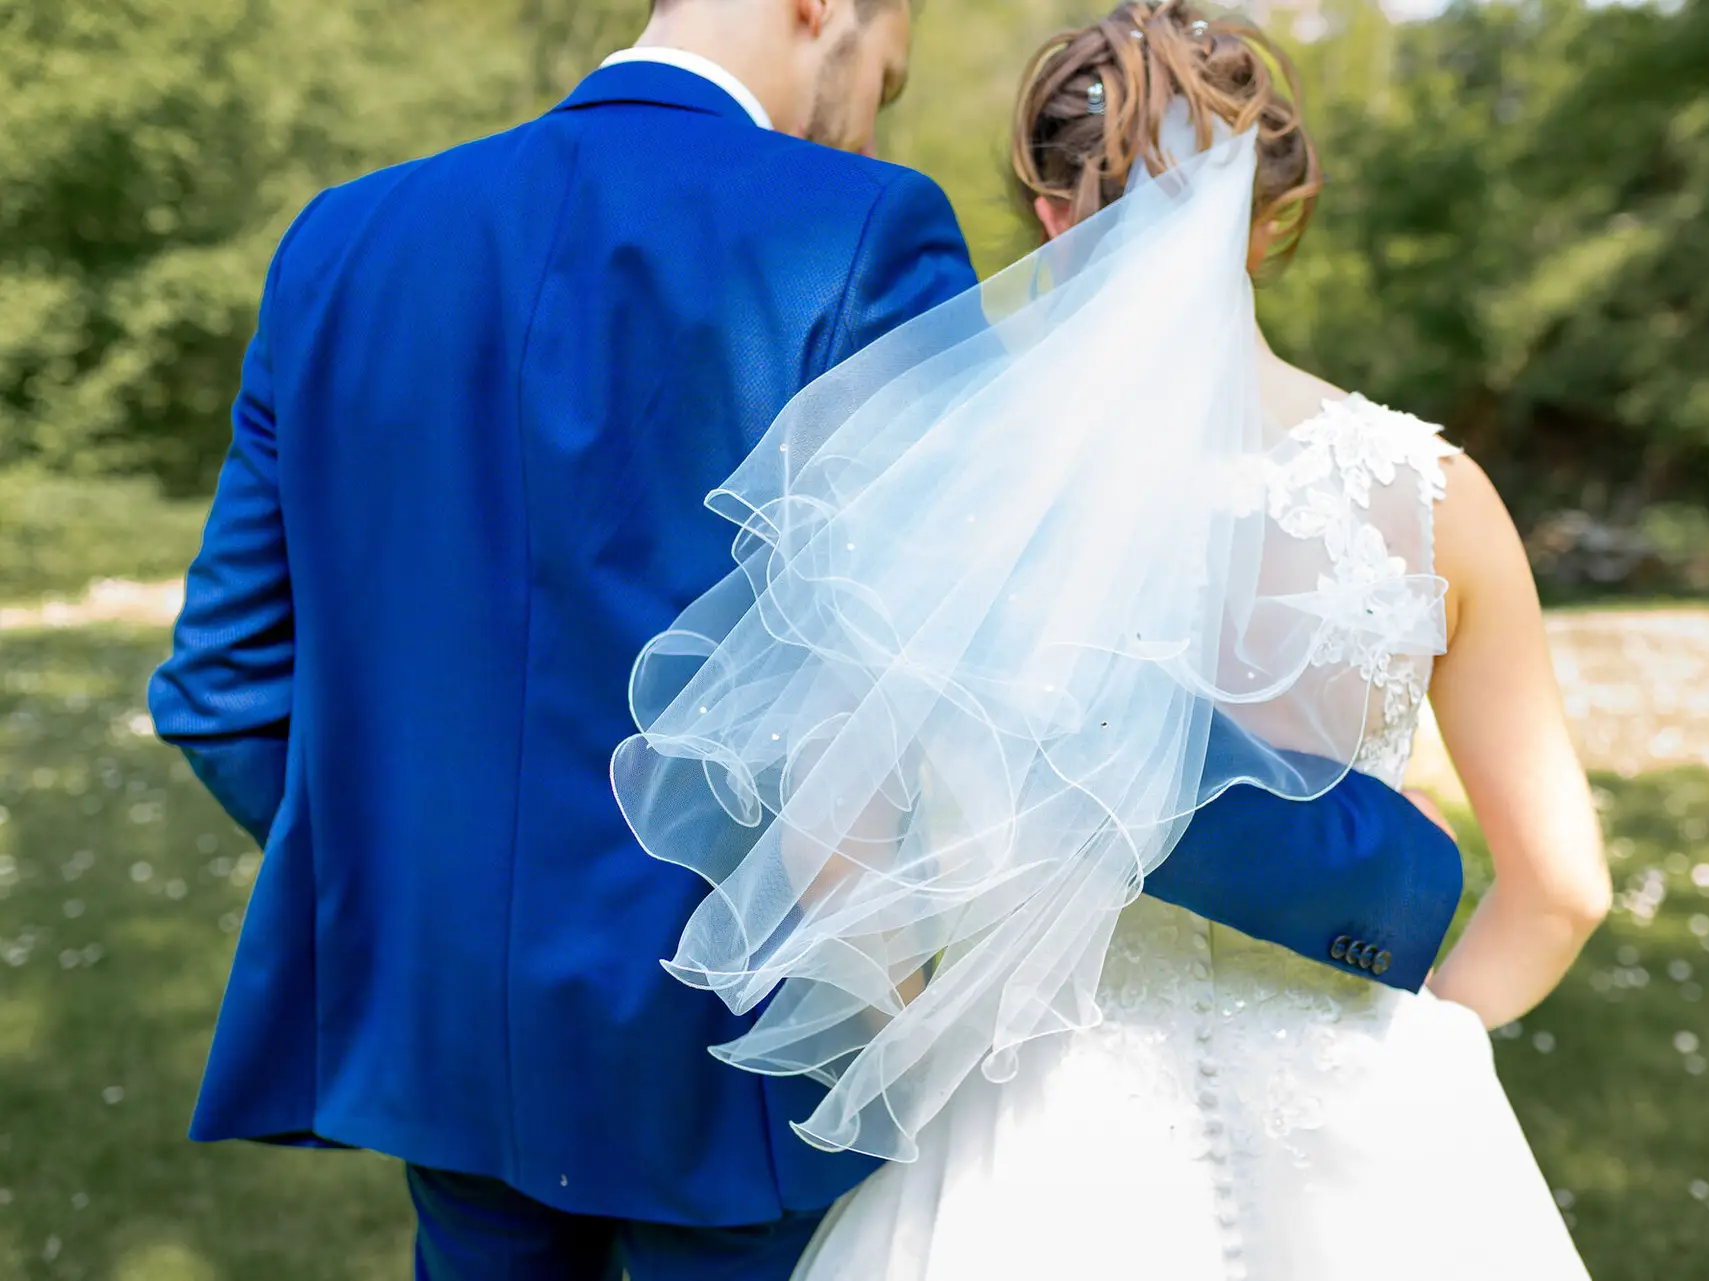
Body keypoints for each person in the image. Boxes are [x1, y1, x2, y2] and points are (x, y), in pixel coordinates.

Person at [146, 0, 1462, 1277]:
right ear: (820, 7)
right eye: (886, 78)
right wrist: (1381, 873)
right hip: (734, 1065)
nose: (871, 126)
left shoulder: (343, 241)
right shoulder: (855, 230)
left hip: (441, 1048)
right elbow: (1024, 686)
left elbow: (220, 688)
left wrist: (418, 896)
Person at [614, 4, 1613, 1278]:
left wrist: (935, 1052)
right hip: (1363, 1130)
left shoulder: (951, 500)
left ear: (1052, 217)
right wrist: (1414, 1059)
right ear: (1275, 214)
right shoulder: (1435, 499)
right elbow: (1563, 891)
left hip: (1037, 1143)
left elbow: (835, 862)